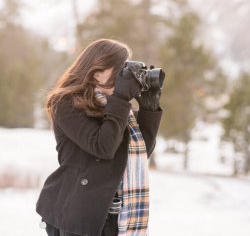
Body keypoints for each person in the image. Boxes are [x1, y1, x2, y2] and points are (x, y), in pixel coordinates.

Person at [35, 38, 163, 236]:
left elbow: (139, 153)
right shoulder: (65, 103)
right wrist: (120, 99)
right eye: (119, 68)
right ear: (96, 71)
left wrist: (149, 107)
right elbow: (103, 148)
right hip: (79, 214)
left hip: (117, 217)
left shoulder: (118, 110)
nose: (123, 76)